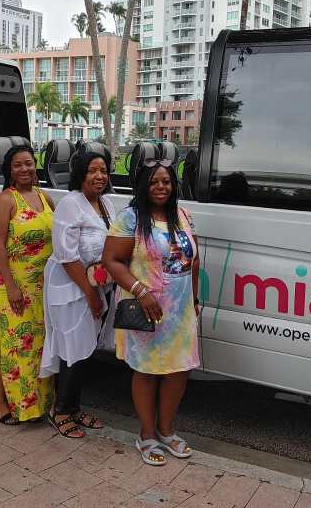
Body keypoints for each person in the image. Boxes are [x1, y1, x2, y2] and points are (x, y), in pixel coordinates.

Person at [103, 160, 200, 466]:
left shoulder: (182, 215)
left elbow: (194, 261)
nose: (161, 187)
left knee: (178, 371)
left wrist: (196, 301)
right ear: (143, 185)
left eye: (167, 182)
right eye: (155, 182)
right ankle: (146, 435)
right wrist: (142, 292)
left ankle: (167, 431)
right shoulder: (130, 219)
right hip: (147, 309)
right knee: (146, 371)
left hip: (180, 311)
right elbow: (112, 261)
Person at [40, 150, 115, 438]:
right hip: (72, 289)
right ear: (80, 174)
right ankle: (59, 411)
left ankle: (74, 408)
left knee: (85, 351)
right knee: (72, 350)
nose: (100, 176)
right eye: (93, 171)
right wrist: (91, 296)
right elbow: (67, 257)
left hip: (95, 286)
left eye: (104, 171)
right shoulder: (70, 204)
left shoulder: (106, 203)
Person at [0, 143, 55, 425]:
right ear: (10, 171)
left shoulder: (45, 197)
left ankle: (36, 404)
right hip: (11, 282)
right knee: (15, 344)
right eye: (18, 165)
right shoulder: (6, 200)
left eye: (28, 163)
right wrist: (12, 285)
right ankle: (2, 400)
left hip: (41, 285)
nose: (25, 169)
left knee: (38, 345)